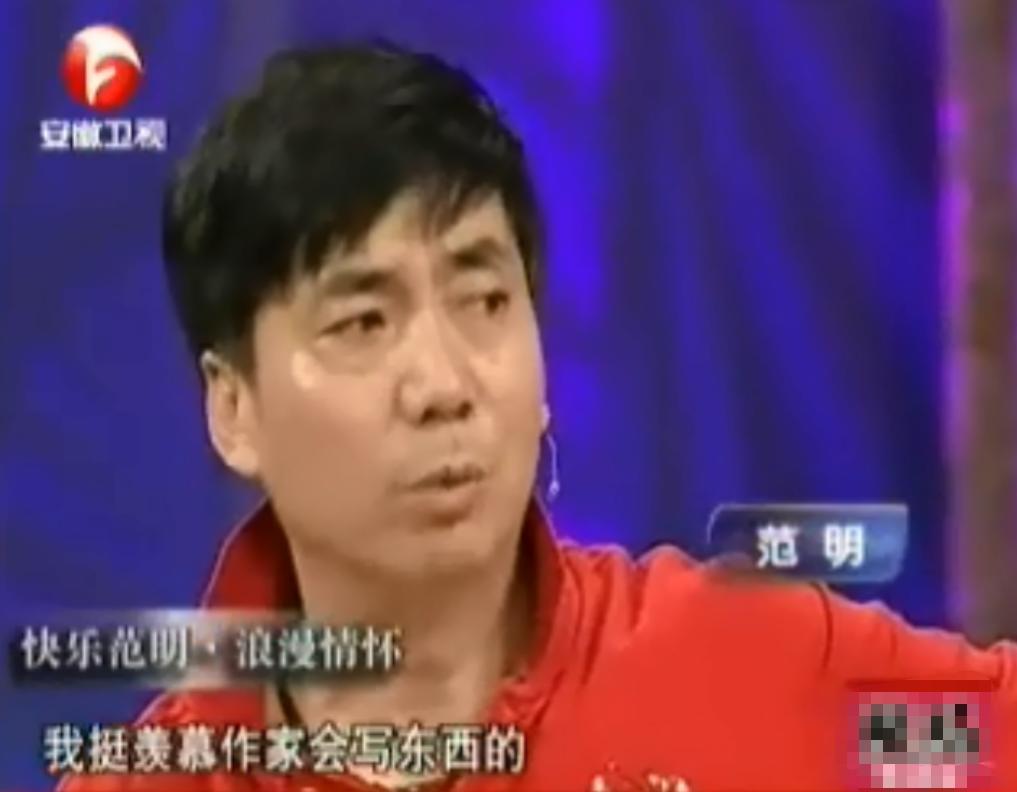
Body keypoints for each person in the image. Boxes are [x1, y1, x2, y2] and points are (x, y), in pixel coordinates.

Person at [60, 42, 1016, 792]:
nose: (443, 384)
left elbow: (983, 747)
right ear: (233, 408)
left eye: (483, 301)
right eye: (362, 321)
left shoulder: (748, 677)